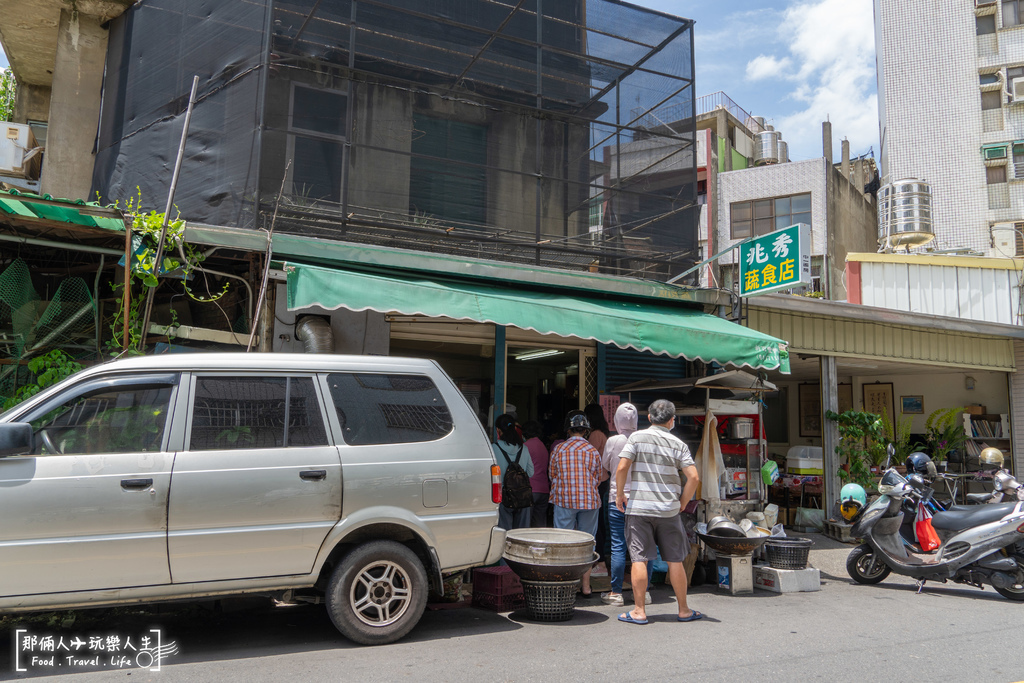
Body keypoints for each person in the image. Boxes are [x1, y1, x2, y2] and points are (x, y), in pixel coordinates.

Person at [615, 399, 701, 625]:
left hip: (639, 508)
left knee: (639, 559)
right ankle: (683, 610)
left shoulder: (636, 437)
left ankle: (639, 611)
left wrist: (619, 495)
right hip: (668, 510)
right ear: (672, 420)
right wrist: (682, 502)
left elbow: (622, 467)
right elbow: (693, 477)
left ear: (650, 417)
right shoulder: (678, 444)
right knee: (675, 561)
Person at [549, 410, 603, 596]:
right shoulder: (592, 451)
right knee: (588, 543)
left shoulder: (559, 449)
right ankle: (586, 587)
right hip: (589, 501)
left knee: (563, 542)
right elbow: (597, 477)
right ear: (586, 430)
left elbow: (552, 475)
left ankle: (565, 585)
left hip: (564, 499)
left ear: (568, 430)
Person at [600, 402, 646, 606]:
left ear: (617, 420)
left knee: (618, 545)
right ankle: (644, 593)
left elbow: (607, 466)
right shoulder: (643, 439)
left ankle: (616, 593)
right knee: (643, 547)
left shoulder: (613, 440)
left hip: (617, 498)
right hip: (642, 500)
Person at [492, 413, 533, 531]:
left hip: (503, 497)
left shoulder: (494, 448)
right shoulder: (524, 448)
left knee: (504, 534)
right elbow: (531, 472)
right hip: (523, 496)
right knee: (521, 535)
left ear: (498, 430)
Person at [584, 403, 612, 571]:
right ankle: (600, 559)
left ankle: (599, 560)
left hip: (597, 481)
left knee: (596, 522)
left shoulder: (595, 435)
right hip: (603, 480)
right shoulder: (604, 433)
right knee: (600, 521)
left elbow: (590, 459)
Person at [522, 421, 551, 528]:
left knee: (526, 524)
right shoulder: (542, 446)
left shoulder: (525, 446)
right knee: (539, 525)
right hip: (544, 490)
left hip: (530, 490)